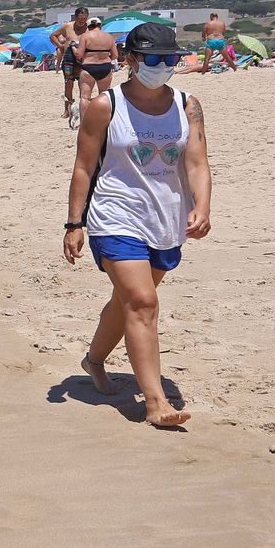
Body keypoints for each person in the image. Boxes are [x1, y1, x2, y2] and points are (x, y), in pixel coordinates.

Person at [64, 22, 210, 429]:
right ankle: (156, 402)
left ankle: (94, 360)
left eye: (170, 58)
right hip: (115, 215)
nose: (162, 65)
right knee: (143, 302)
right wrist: (74, 223)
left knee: (127, 301)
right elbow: (84, 167)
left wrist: (203, 206)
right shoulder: (105, 106)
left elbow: (197, 162)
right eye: (153, 58)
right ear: (130, 59)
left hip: (165, 218)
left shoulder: (187, 105)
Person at [50, 6, 90, 118]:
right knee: (68, 83)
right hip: (68, 59)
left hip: (84, 58)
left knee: (83, 84)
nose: (82, 21)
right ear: (75, 17)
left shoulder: (89, 28)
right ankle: (67, 110)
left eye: (84, 19)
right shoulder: (68, 26)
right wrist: (60, 46)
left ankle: (83, 109)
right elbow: (53, 35)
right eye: (80, 19)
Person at [74, 17, 117, 116]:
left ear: (88, 26)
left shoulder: (85, 36)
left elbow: (79, 54)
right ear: (100, 25)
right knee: (104, 95)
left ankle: (84, 122)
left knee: (85, 97)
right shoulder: (109, 37)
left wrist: (73, 48)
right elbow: (115, 55)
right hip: (105, 67)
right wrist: (105, 58)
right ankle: (104, 120)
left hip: (89, 67)